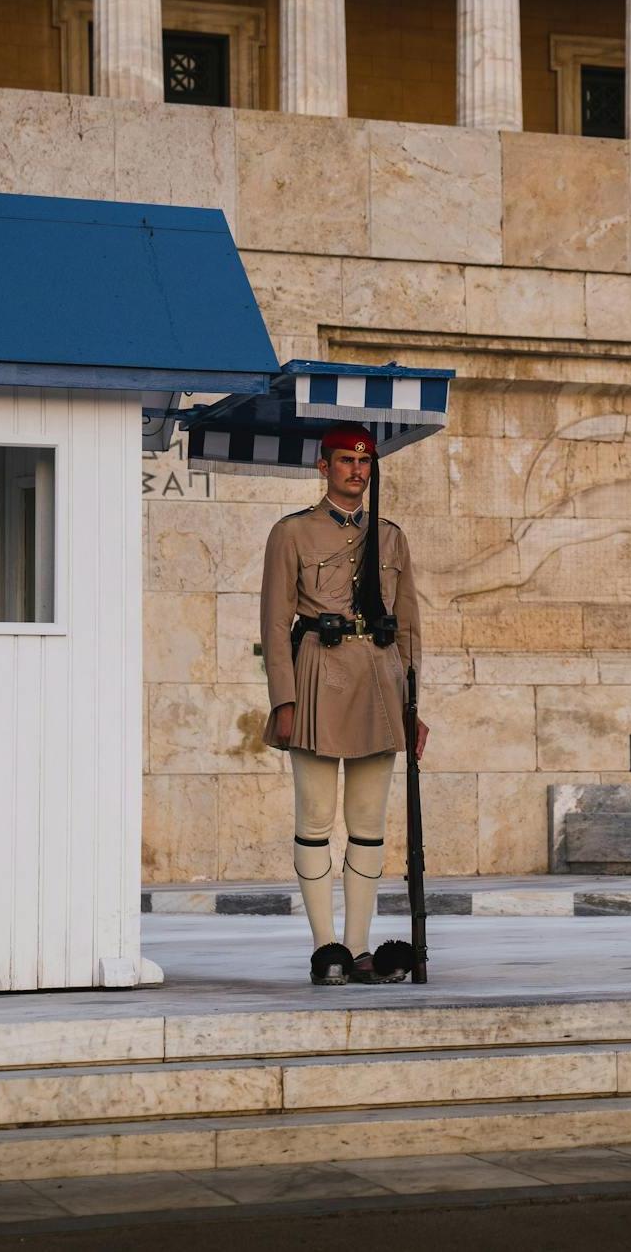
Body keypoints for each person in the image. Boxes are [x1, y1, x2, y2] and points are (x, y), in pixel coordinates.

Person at [259, 422, 429, 986]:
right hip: (315, 675)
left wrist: (411, 703)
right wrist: (283, 699)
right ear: (323, 467)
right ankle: (324, 944)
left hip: (378, 683)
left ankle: (357, 948)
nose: (357, 470)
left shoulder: (391, 537)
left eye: (365, 462)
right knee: (314, 818)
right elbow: (275, 620)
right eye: (345, 461)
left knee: (368, 823)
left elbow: (408, 629)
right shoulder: (292, 534)